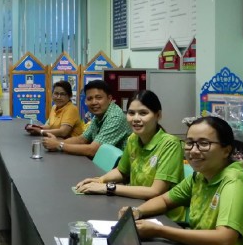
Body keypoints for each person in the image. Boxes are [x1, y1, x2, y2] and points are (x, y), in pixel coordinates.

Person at [119, 116, 243, 245]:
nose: (193, 150)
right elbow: (164, 200)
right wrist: (137, 211)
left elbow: (224, 240)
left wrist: (159, 231)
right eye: (189, 143)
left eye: (204, 144)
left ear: (226, 150)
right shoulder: (199, 177)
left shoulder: (235, 183)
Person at [75, 90, 186, 220]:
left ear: (158, 115)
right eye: (131, 113)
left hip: (163, 216)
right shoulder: (133, 138)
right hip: (135, 205)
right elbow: (122, 171)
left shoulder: (170, 144)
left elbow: (155, 191)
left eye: (143, 113)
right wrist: (100, 180)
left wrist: (108, 187)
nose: (136, 119)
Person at [41, 79, 128, 157]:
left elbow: (93, 150)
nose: (94, 102)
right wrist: (56, 143)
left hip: (118, 168)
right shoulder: (99, 116)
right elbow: (82, 139)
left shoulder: (115, 117)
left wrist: (59, 145)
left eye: (98, 98)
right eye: (89, 98)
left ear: (109, 99)